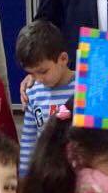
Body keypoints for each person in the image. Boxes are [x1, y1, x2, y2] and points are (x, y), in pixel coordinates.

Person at [15, 20, 76, 176]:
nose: (38, 79)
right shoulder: (33, 92)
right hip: (46, 174)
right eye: (32, 73)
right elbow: (29, 141)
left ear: (63, 59)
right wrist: (24, 178)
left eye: (43, 71)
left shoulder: (84, 88)